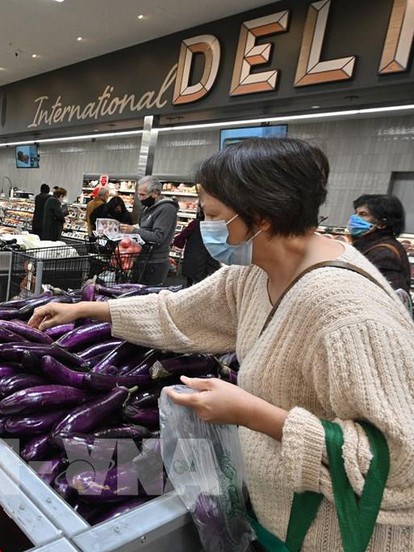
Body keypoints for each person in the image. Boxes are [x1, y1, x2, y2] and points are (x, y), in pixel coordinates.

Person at [30, 138, 414, 551]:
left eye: (211, 215)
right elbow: (179, 312)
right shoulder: (257, 269)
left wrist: (256, 415)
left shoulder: (348, 314)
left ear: (262, 216)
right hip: (278, 519)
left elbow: (400, 465)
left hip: (333, 538)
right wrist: (88, 311)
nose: (204, 225)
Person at [119, 175, 179, 284]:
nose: (140, 198)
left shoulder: (167, 209)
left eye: (143, 195)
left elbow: (158, 237)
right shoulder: (146, 208)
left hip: (155, 262)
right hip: (143, 258)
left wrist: (134, 230)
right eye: (138, 195)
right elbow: (145, 228)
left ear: (155, 193)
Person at [349, 194, 411, 292]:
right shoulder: (371, 244)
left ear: (382, 223)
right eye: (356, 213)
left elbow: (391, 297)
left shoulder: (383, 254)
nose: (354, 218)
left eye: (363, 214)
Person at [172, 205, 220, 287]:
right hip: (211, 260)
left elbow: (182, 236)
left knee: (191, 284)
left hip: (194, 258)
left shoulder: (196, 223)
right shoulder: (219, 226)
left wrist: (178, 244)